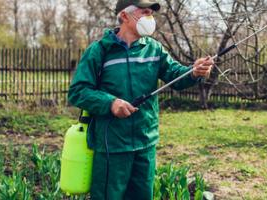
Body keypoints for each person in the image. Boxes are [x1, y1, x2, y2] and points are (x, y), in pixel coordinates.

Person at [67, 0, 214, 199]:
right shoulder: (99, 51)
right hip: (112, 145)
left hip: (145, 142)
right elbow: (78, 91)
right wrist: (110, 103)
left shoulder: (154, 49)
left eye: (151, 13)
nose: (149, 17)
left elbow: (176, 76)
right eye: (144, 12)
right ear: (125, 16)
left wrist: (194, 71)